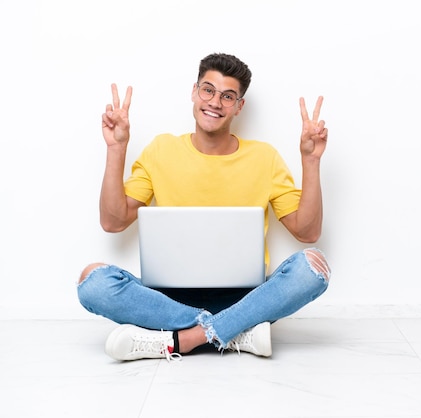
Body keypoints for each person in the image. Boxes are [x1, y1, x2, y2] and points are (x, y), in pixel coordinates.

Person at [76, 53, 331, 361]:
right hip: (167, 300)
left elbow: (308, 231)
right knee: (93, 283)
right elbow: (113, 222)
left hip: (245, 298)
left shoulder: (265, 158)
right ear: (194, 92)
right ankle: (235, 332)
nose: (215, 102)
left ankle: (182, 340)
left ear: (239, 106)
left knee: (313, 268)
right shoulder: (161, 150)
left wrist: (311, 160)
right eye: (208, 90)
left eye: (227, 96)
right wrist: (117, 148)